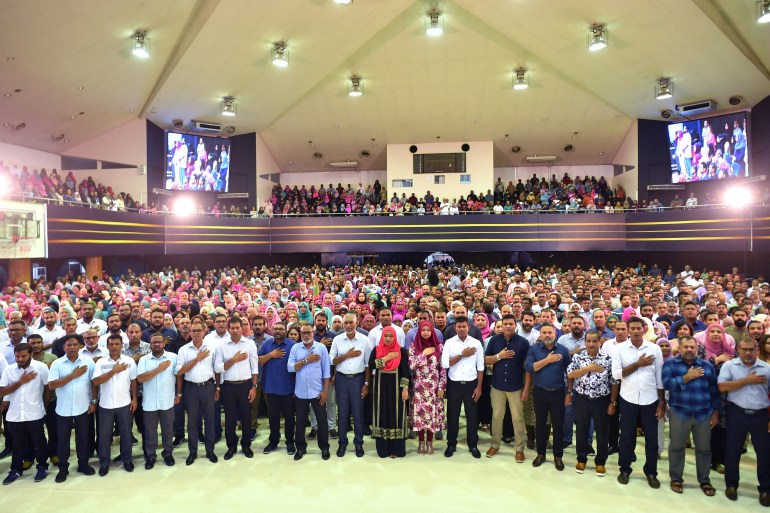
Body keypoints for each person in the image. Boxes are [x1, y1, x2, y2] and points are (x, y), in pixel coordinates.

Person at [662, 335, 720, 496]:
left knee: (704, 448)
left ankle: (704, 480)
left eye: (692, 347)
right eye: (685, 347)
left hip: (703, 413)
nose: (689, 350)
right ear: (679, 348)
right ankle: (676, 478)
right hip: (680, 412)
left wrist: (716, 412)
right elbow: (667, 383)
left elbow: (714, 391)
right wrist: (687, 377)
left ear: (697, 348)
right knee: (677, 447)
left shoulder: (707, 366)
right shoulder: (671, 364)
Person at [612, 316, 666, 488]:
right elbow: (616, 374)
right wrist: (638, 364)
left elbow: (659, 377)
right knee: (627, 436)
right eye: (632, 328)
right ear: (628, 329)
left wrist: (661, 402)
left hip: (650, 400)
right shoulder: (620, 349)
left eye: (639, 328)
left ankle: (651, 472)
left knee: (652, 438)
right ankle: (625, 468)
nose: (636, 331)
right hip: (628, 398)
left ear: (644, 329)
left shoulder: (655, 349)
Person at [717, 337, 770, 506]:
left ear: (757, 350)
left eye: (751, 349)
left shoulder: (767, 368)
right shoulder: (729, 366)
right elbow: (722, 387)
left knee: (764, 454)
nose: (748, 353)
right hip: (737, 413)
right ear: (738, 349)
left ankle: (765, 489)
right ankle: (731, 485)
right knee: (732, 451)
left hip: (761, 415)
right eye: (744, 349)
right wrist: (747, 380)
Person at [567, 331, 618, 476]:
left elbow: (614, 382)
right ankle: (581, 458)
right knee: (581, 430)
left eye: (594, 341)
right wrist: (588, 369)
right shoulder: (578, 357)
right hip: (582, 399)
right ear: (585, 342)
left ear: (599, 342)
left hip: (601, 401)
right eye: (588, 341)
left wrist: (612, 402)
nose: (591, 344)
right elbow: (570, 374)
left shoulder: (608, 359)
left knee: (602, 432)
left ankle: (601, 462)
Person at [47, 334, 96, 482]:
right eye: (69, 345)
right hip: (63, 408)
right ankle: (63, 468)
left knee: (83, 438)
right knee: (63, 440)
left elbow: (94, 383)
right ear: (64, 347)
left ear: (80, 346)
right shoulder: (57, 364)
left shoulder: (88, 362)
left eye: (75, 345)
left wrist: (94, 401)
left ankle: (83, 464)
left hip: (83, 407)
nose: (72, 347)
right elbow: (52, 385)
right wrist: (73, 375)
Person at [0, 343, 50, 485]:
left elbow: (47, 388)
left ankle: (42, 466)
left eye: (23, 356)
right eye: (17, 356)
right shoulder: (9, 370)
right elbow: (2, 391)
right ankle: (16, 469)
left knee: (39, 442)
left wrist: (44, 406)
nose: (20, 359)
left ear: (31, 354)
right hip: (14, 414)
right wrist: (21, 382)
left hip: (35, 412)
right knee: (17, 444)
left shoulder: (41, 368)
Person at [483, 313, 529, 462]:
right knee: (496, 417)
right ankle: (495, 445)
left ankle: (519, 449)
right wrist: (498, 357)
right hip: (497, 385)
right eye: (505, 324)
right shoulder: (494, 341)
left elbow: (527, 367)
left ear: (516, 325)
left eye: (511, 324)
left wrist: (526, 388)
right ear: (501, 325)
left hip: (515, 386)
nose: (508, 326)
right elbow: (485, 359)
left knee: (517, 418)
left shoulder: (523, 342)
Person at [525, 322, 571, 470]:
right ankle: (541, 454)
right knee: (540, 424)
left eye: (550, 332)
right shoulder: (534, 349)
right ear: (540, 334)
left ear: (555, 333)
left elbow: (570, 374)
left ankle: (558, 456)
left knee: (558, 426)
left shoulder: (563, 350)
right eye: (544, 332)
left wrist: (569, 393)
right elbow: (529, 367)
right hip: (540, 392)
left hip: (558, 393)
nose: (547, 335)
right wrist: (548, 360)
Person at [91, 334, 138, 476]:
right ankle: (104, 462)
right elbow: (96, 381)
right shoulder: (100, 363)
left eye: (117, 344)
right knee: (104, 435)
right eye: (111, 344)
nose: (114, 347)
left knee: (126, 434)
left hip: (124, 403)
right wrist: (113, 371)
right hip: (105, 404)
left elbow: (134, 381)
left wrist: (134, 398)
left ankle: (127, 460)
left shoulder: (129, 361)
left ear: (121, 345)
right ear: (107, 345)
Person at [174, 319, 218, 465]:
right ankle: (193, 452)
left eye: (199, 330)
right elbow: (179, 371)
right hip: (191, 388)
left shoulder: (211, 348)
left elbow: (217, 369)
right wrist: (197, 359)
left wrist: (217, 387)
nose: (196, 333)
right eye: (193, 331)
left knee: (209, 420)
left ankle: (210, 450)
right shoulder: (184, 350)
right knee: (192, 421)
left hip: (208, 386)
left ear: (204, 331)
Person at [214, 316, 258, 460]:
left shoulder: (250, 344)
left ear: (242, 328)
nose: (234, 330)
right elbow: (218, 367)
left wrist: (254, 386)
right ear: (228, 329)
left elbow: (254, 367)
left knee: (246, 418)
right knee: (230, 418)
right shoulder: (222, 346)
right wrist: (233, 360)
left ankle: (246, 446)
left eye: (237, 328)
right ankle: (231, 446)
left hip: (245, 385)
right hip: (228, 387)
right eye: (231, 328)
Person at [441, 316, 484, 459]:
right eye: (459, 327)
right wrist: (462, 355)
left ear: (468, 327)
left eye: (464, 326)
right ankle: (451, 444)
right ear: (455, 328)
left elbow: (481, 366)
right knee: (452, 415)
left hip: (471, 383)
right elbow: (445, 364)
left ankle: (473, 445)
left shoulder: (476, 343)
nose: (461, 329)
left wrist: (479, 387)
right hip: (454, 383)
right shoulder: (449, 343)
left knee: (472, 416)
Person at [329, 313, 372, 458]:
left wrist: (366, 383)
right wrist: (347, 355)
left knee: (358, 413)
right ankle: (342, 442)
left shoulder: (364, 340)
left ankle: (358, 443)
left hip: (358, 379)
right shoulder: (337, 339)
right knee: (342, 414)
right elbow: (332, 361)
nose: (348, 325)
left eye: (350, 323)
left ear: (356, 323)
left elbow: (368, 364)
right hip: (341, 380)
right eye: (345, 323)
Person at [288, 323, 331, 461]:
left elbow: (326, 371)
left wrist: (325, 391)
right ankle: (300, 447)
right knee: (300, 421)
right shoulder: (295, 348)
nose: (306, 335)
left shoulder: (321, 347)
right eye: (303, 333)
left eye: (308, 332)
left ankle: (324, 447)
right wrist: (306, 360)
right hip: (300, 392)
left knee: (322, 421)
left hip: (318, 391)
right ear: (300, 334)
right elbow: (290, 368)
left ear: (313, 333)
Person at [136, 333, 177, 469]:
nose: (157, 344)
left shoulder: (173, 357)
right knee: (150, 431)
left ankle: (167, 453)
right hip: (149, 401)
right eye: (154, 342)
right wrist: (160, 369)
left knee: (168, 429)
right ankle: (150, 456)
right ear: (150, 344)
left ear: (164, 343)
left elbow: (179, 376)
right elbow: (141, 378)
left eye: (159, 342)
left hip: (167, 399)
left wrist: (179, 394)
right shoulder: (144, 360)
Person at [369, 326, 411, 458]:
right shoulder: (377, 349)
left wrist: (405, 389)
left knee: (396, 414)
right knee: (382, 414)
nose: (388, 338)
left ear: (395, 337)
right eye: (385, 336)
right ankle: (383, 448)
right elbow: (371, 364)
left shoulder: (401, 351)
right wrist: (387, 358)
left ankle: (396, 448)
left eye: (390, 336)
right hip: (380, 387)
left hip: (397, 388)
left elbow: (406, 371)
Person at [257, 321, 296, 455]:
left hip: (288, 388)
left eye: (280, 329)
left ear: (285, 330)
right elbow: (258, 360)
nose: (278, 331)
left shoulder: (293, 345)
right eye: (275, 329)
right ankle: (273, 440)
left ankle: (290, 442)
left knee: (289, 417)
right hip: (270, 387)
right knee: (273, 416)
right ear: (272, 331)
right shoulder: (267, 344)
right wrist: (271, 355)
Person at [408, 320, 446, 456]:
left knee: (431, 415)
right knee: (419, 416)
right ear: (419, 331)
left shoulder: (439, 347)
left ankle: (430, 442)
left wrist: (442, 386)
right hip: (419, 387)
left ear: (432, 331)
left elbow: (443, 369)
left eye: (428, 330)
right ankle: (421, 442)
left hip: (434, 387)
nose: (425, 333)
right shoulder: (414, 346)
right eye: (423, 330)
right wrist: (423, 353)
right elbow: (411, 365)